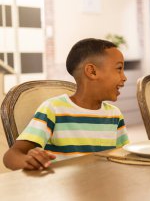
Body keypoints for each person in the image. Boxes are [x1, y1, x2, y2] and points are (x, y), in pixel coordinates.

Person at [3, 38, 129, 170]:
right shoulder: (53, 110)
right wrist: (29, 161)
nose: (124, 77)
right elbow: (11, 156)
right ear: (92, 71)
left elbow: (125, 155)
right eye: (119, 69)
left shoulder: (115, 115)